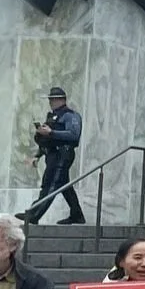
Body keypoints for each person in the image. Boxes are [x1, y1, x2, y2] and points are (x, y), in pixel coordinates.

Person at [22, 85, 85, 225]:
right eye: (50, 99)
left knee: (51, 184)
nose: (50, 102)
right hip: (53, 154)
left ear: (60, 100)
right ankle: (77, 215)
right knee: (63, 186)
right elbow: (48, 141)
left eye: (53, 99)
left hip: (63, 153)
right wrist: (37, 156)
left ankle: (34, 214)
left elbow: (74, 134)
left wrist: (51, 132)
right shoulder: (52, 117)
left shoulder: (70, 116)